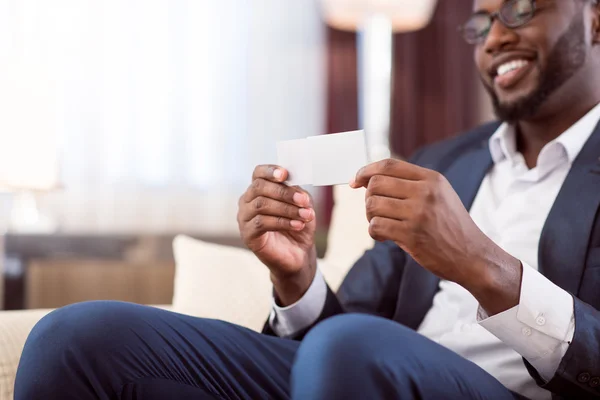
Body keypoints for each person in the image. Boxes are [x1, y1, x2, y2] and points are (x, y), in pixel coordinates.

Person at [14, 0, 600, 399]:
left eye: (521, 9)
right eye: (480, 23)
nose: (495, 36)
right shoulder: (445, 161)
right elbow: (342, 331)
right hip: (368, 372)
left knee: (351, 351)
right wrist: (298, 278)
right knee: (75, 339)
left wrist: (482, 264)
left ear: (594, 17)